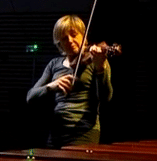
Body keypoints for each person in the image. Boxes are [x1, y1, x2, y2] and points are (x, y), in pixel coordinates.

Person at [27, 15, 113, 148]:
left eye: (74, 35)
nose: (70, 41)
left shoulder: (96, 60)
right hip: (56, 131)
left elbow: (106, 98)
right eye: (64, 38)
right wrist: (51, 86)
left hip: (83, 132)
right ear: (59, 43)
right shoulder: (54, 64)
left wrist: (100, 69)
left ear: (83, 37)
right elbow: (30, 97)